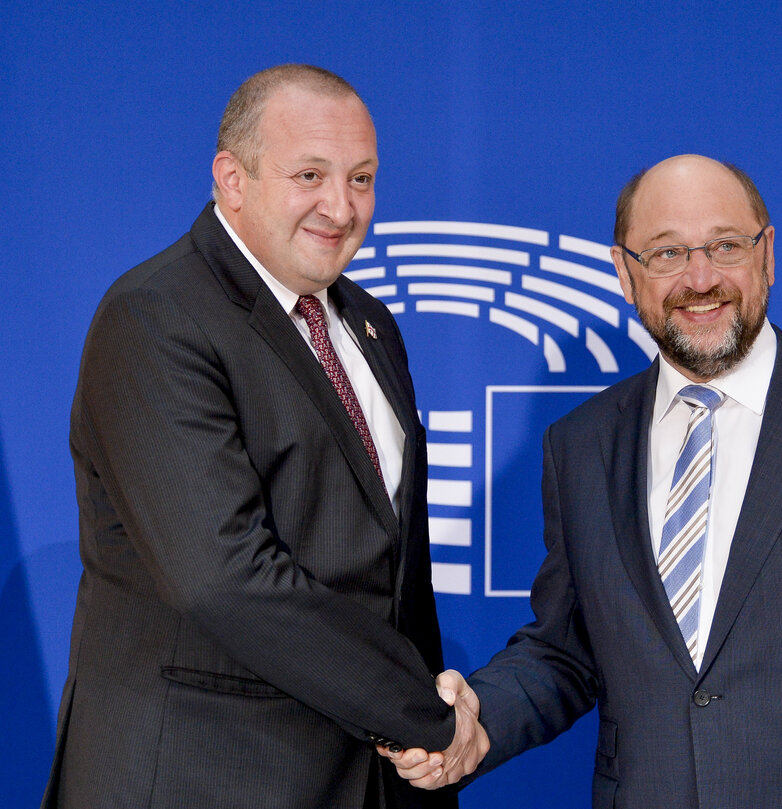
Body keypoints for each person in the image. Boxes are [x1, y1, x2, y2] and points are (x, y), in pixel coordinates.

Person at [387, 154, 782, 807]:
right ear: (625, 274)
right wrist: (475, 719)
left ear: (767, 255)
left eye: (725, 245)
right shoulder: (580, 444)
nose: (700, 277)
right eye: (665, 253)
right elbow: (566, 651)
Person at [42, 64, 486, 809]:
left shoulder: (370, 325)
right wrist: (425, 716)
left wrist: (426, 755)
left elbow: (390, 576)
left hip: (370, 777)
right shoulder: (156, 317)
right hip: (207, 777)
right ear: (232, 179)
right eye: (309, 173)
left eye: (363, 178)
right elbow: (224, 577)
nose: (341, 207)